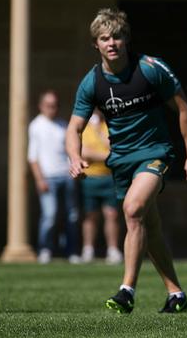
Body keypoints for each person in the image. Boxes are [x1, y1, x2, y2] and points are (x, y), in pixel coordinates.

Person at [66, 8, 187, 314]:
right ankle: (176, 293)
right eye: (104, 38)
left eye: (117, 36)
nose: (112, 43)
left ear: (126, 39)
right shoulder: (92, 82)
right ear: (96, 44)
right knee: (148, 227)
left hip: (155, 153)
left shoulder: (151, 68)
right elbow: (74, 127)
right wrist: (74, 157)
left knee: (133, 209)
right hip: (122, 162)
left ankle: (127, 290)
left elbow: (183, 108)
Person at [28, 90, 80, 264]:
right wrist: (39, 179)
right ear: (41, 106)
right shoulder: (36, 126)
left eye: (55, 105)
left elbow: (69, 151)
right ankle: (45, 249)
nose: (53, 109)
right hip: (48, 177)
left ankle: (71, 251)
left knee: (72, 215)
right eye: (49, 105)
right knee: (49, 215)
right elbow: (33, 157)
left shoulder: (64, 125)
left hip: (66, 175)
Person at [79, 109, 123, 264]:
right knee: (90, 215)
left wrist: (99, 133)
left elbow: (115, 148)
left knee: (111, 214)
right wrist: (106, 156)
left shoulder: (108, 127)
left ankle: (113, 250)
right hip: (90, 177)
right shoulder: (84, 128)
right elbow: (83, 152)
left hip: (109, 178)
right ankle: (88, 249)